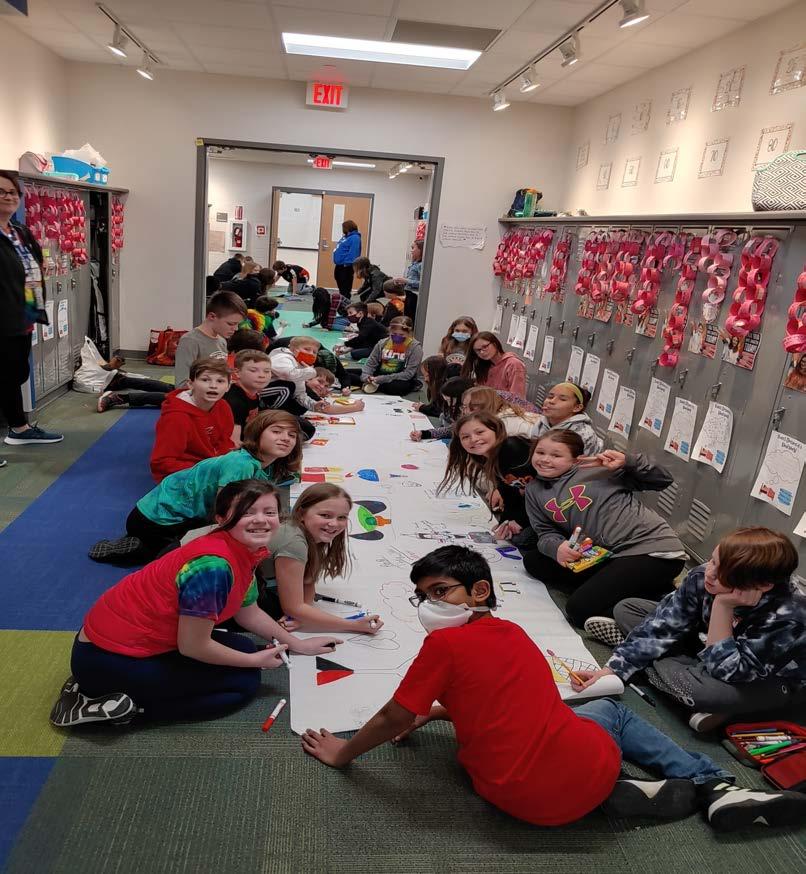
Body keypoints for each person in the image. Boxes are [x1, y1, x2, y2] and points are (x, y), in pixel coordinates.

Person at [300, 546, 806, 833]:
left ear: (479, 591)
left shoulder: (443, 646)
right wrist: (432, 712)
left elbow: (393, 715)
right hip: (575, 777)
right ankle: (712, 784)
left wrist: (344, 753)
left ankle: (659, 787)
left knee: (598, 711)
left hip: (514, 801)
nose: (429, 605)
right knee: (608, 709)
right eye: (422, 596)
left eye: (439, 592)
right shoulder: (512, 633)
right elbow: (493, 702)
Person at [51, 480, 343, 727]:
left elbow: (249, 613)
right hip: (106, 658)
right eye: (247, 512)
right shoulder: (213, 567)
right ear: (221, 518)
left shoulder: (243, 549)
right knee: (242, 685)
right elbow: (193, 646)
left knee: (243, 647)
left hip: (116, 643)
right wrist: (255, 661)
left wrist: (297, 644)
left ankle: (108, 687)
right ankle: (110, 708)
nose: (261, 519)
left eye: (269, 512)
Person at [577, 527, 806, 733]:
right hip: (709, 646)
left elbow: (728, 672)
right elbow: (663, 623)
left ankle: (658, 669)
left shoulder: (790, 616)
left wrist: (722, 605)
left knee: (704, 692)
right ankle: (678, 678)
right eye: (713, 561)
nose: (709, 573)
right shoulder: (705, 575)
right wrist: (613, 670)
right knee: (628, 610)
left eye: (725, 574)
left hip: (767, 681)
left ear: (762, 585)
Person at [88, 410, 302, 566]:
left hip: (162, 514)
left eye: (291, 435)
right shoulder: (241, 464)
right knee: (174, 559)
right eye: (276, 431)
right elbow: (225, 510)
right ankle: (137, 547)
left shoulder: (263, 464)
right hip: (156, 520)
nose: (285, 438)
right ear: (257, 434)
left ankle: (143, 542)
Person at [523, 431, 686, 627]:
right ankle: (649, 589)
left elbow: (663, 480)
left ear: (576, 460)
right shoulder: (534, 490)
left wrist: (628, 461)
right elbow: (544, 532)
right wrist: (557, 547)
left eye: (556, 455)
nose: (545, 460)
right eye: (540, 452)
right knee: (534, 561)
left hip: (652, 550)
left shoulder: (600, 470)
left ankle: (657, 605)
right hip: (609, 553)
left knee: (578, 609)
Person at [257, 483, 382, 635]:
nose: (334, 523)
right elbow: (292, 607)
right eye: (325, 515)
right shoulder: (293, 542)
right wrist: (354, 625)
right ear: (301, 513)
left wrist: (302, 615)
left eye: (342, 517)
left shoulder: (311, 533)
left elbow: (308, 581)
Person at [0, 169, 64, 460]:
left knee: (14, 374)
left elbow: (36, 261)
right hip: (3, 319)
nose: (8, 197)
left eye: (12, 192)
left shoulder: (19, 231)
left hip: (23, 316)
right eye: (1, 192)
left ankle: (19, 429)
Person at [439, 412, 534, 547]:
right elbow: (508, 492)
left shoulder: (512, 448)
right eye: (465, 437)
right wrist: (505, 522)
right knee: (508, 533)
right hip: (533, 505)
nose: (473, 439)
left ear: (496, 430)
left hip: (555, 505)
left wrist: (520, 521)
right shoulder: (488, 457)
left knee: (521, 539)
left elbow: (539, 492)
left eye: (480, 432)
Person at [150, 358, 234, 482]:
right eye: (205, 380)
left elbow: (224, 441)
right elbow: (161, 462)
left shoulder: (223, 407)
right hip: (183, 475)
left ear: (228, 386)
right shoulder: (176, 418)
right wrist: (208, 469)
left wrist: (226, 461)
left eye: (220, 381)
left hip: (211, 465)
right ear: (191, 384)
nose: (213, 386)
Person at [174, 291, 247, 386]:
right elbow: (182, 384)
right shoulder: (190, 341)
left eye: (237, 324)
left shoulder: (221, 340)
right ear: (212, 316)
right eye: (231, 324)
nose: (236, 328)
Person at [353, 316, 423, 396]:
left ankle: (372, 384)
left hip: (400, 378)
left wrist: (381, 379)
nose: (397, 337)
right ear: (390, 331)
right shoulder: (382, 343)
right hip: (380, 374)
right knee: (347, 373)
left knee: (395, 388)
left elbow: (408, 373)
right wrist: (366, 377)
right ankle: (371, 383)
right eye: (394, 334)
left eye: (401, 335)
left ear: (409, 333)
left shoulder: (415, 348)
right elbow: (371, 363)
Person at [530, 381, 603, 455]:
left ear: (577, 407)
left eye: (562, 399)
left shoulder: (584, 435)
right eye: (550, 397)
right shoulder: (541, 422)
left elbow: (583, 461)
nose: (551, 401)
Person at [224, 350, 272, 445]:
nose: (262, 375)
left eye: (267, 371)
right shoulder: (234, 401)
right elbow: (233, 443)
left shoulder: (254, 393)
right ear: (237, 372)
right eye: (253, 370)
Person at [462, 331, 526, 397]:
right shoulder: (484, 365)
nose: (482, 352)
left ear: (495, 344)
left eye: (485, 347)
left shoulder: (514, 364)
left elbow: (517, 397)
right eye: (478, 350)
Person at [410, 377, 475, 442]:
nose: (449, 404)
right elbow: (451, 429)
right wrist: (423, 434)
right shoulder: (453, 411)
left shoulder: (470, 415)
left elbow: (451, 430)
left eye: (450, 401)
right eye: (446, 401)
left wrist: (425, 434)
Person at [461, 386, 539, 438]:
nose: (465, 412)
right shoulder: (506, 413)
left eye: (472, 407)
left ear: (486, 406)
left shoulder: (502, 424)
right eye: (464, 407)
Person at [332, 220, 362, 300]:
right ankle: (342, 303)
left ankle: (346, 304)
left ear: (347, 228)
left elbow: (354, 253)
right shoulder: (346, 237)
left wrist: (347, 264)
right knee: (341, 288)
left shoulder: (355, 238)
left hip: (346, 267)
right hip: (339, 266)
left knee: (345, 289)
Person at [394, 240, 422, 322]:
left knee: (410, 318)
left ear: (420, 249)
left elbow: (423, 283)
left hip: (414, 296)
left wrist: (406, 281)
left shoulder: (421, 265)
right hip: (408, 293)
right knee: (406, 317)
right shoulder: (414, 263)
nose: (411, 251)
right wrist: (402, 282)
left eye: (413, 248)